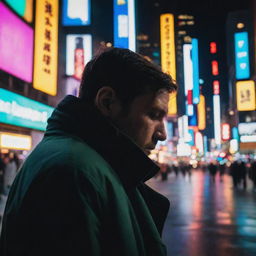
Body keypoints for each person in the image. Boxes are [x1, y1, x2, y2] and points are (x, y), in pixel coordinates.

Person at [0, 48, 177, 256]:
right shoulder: (72, 172)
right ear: (107, 102)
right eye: (153, 114)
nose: (162, 134)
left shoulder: (88, 165)